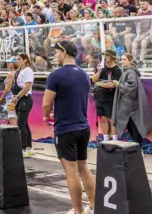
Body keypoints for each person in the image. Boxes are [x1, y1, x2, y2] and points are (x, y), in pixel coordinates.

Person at [42, 41, 95, 214]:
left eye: (57, 52)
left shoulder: (55, 75)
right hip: (83, 127)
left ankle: (78, 211)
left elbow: (46, 103)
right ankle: (95, 207)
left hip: (66, 128)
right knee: (83, 167)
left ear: (64, 53)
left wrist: (46, 115)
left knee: (71, 172)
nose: (56, 55)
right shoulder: (84, 74)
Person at [111, 53, 152, 146]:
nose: (122, 61)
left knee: (134, 126)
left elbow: (131, 88)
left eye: (124, 59)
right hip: (128, 105)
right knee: (131, 126)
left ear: (130, 61)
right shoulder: (128, 71)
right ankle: (137, 147)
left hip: (130, 106)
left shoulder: (131, 72)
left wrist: (118, 84)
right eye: (121, 59)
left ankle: (138, 148)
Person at [91, 48, 122, 142]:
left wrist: (99, 84)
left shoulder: (117, 70)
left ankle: (115, 140)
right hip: (99, 98)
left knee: (111, 119)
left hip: (110, 98)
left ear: (112, 57)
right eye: (104, 55)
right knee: (103, 119)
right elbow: (94, 80)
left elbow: (111, 85)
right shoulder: (102, 68)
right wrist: (99, 71)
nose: (105, 57)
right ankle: (105, 140)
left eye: (107, 55)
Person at [10, 52, 35, 157]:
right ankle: (29, 147)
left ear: (25, 60)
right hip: (19, 98)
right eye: (17, 59)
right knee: (24, 124)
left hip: (25, 99)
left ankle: (23, 148)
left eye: (19, 59)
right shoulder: (18, 71)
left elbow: (27, 87)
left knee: (21, 124)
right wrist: (14, 95)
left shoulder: (28, 70)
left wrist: (18, 97)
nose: (17, 61)